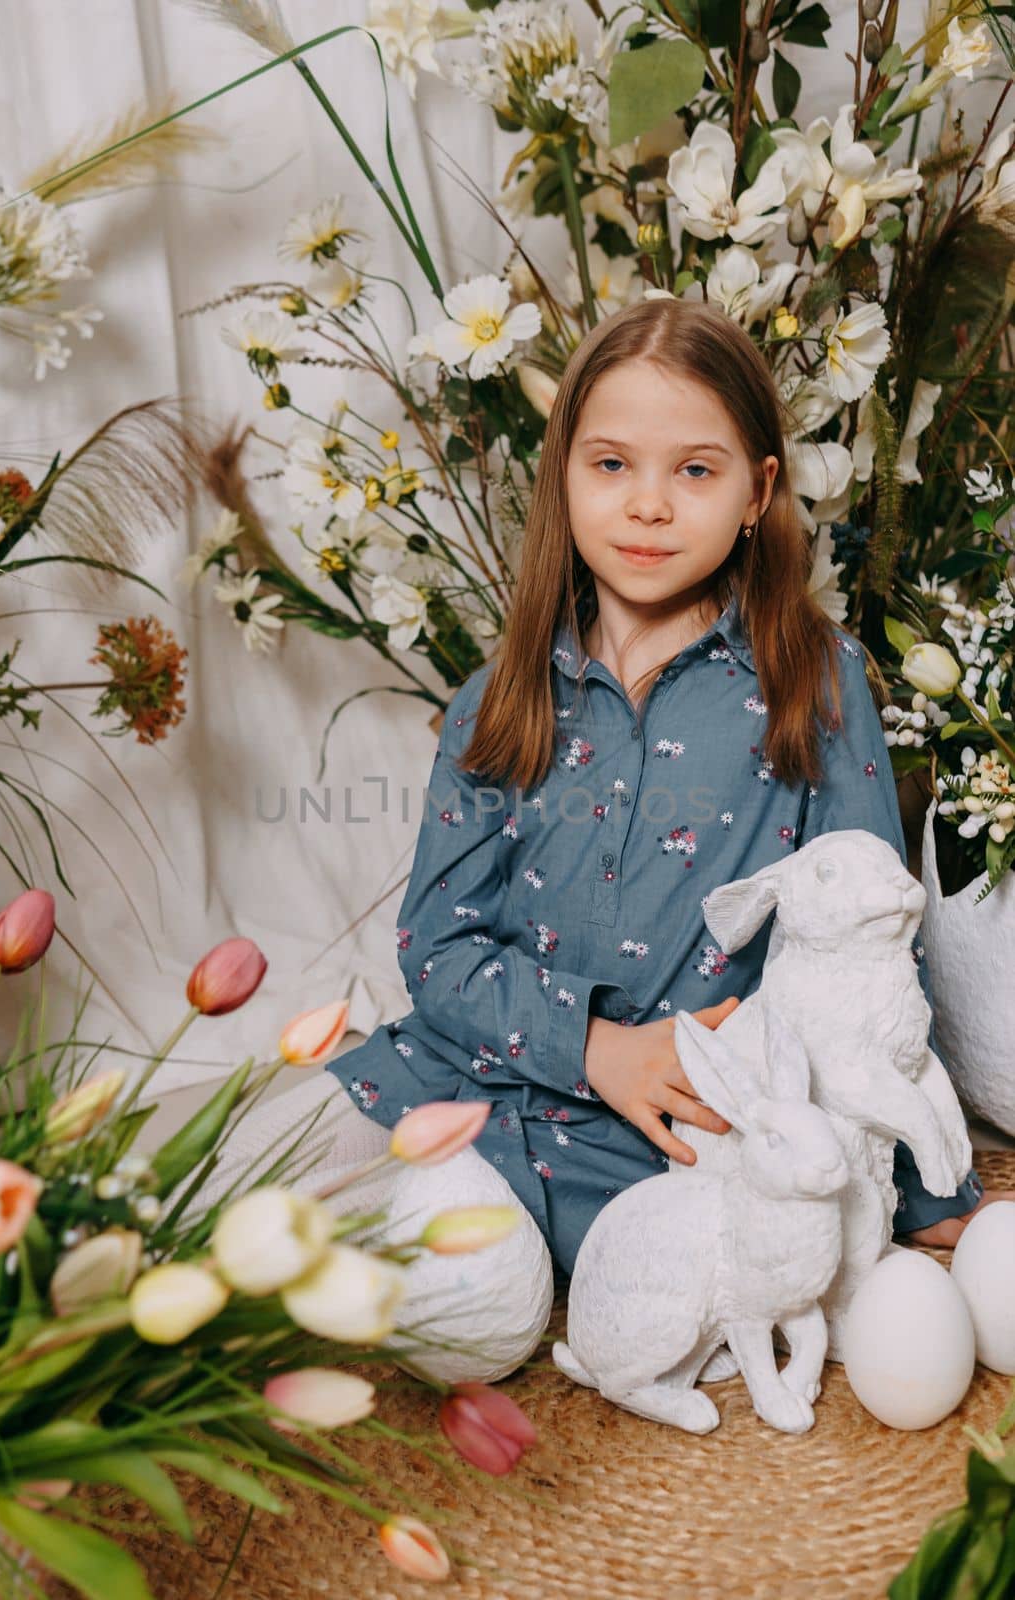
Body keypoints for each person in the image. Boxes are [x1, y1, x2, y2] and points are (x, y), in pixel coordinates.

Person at [321, 297, 1010, 1295]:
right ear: (563, 476)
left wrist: (932, 1192)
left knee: (487, 1299)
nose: (648, 505)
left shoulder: (815, 680)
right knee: (242, 1202)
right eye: (610, 465)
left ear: (755, 490)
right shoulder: (495, 698)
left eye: (693, 469)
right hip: (477, 1081)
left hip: (681, 1152)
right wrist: (592, 1047)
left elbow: (871, 940)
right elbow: (437, 950)